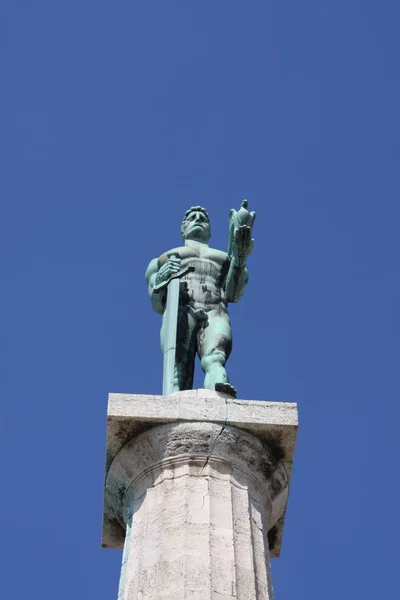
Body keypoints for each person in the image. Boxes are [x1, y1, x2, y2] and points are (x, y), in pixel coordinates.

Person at [145, 205, 254, 397]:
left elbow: (234, 293)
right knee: (178, 370)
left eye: (203, 218)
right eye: (191, 217)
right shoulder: (161, 260)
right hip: (180, 308)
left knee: (215, 356)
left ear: (210, 230)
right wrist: (162, 277)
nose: (197, 219)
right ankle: (173, 407)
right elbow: (156, 302)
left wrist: (239, 258)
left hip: (215, 309)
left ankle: (219, 388)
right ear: (183, 227)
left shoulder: (224, 258)